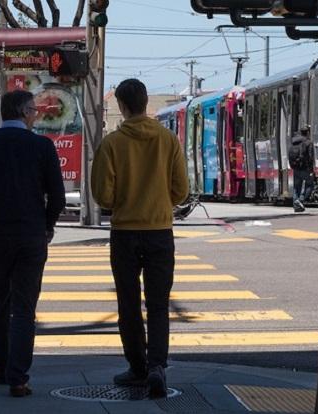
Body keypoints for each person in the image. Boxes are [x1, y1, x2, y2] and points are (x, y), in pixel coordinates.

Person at [0, 91, 64, 397]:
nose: (36, 114)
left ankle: (0, 365)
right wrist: (47, 225)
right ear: (21, 112)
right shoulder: (42, 146)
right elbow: (57, 196)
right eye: (33, 109)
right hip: (31, 237)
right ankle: (18, 377)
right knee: (23, 309)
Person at [91, 79, 189, 399]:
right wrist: (160, 203)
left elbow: (103, 195)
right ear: (146, 102)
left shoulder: (112, 143)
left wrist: (124, 201)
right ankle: (158, 367)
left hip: (125, 233)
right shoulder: (168, 139)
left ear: (121, 106)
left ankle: (138, 366)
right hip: (160, 232)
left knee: (129, 303)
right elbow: (181, 190)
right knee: (159, 304)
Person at [288, 125, 314, 213]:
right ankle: (301, 200)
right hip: (305, 167)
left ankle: (296, 205)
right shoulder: (308, 142)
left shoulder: (294, 142)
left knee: (296, 187)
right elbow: (310, 157)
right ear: (307, 133)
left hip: (296, 167)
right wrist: (311, 169)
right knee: (310, 184)